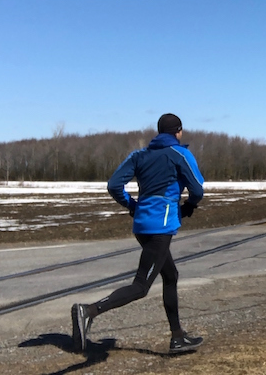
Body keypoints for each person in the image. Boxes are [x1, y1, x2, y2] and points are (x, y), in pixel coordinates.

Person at [71, 113, 205, 354]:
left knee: (171, 275)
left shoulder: (139, 155)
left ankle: (177, 337)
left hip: (142, 226)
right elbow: (197, 188)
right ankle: (89, 311)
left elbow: (114, 185)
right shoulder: (180, 154)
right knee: (141, 286)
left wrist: (132, 205)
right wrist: (189, 206)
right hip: (160, 227)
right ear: (178, 131)